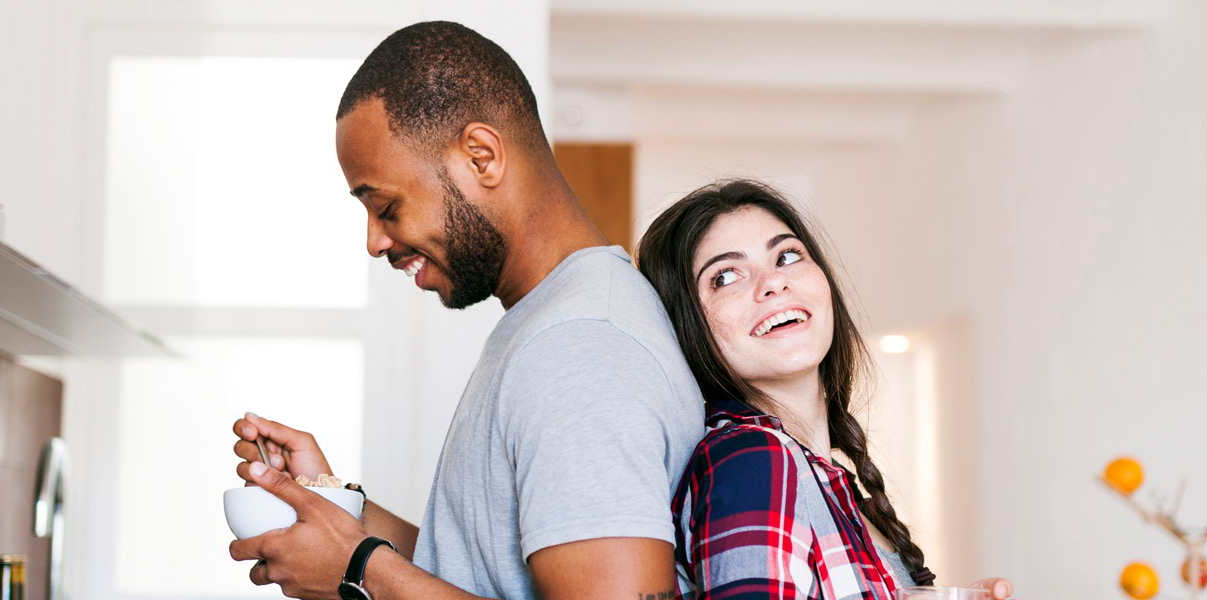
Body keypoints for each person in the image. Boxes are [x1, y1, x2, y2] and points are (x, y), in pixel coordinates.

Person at [225, 21, 706, 600]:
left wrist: (359, 572)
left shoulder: (581, 347)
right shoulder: (553, 320)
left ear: (481, 157)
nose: (375, 241)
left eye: (386, 206)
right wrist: (335, 507)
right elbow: (482, 572)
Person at [636, 180, 1014, 599]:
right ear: (688, 323)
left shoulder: (830, 482)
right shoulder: (753, 458)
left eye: (787, 255)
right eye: (725, 276)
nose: (773, 283)